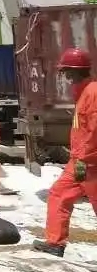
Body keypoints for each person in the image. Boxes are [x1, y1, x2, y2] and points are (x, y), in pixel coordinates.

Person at [36, 47, 97, 257]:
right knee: (59, 194)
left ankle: (55, 242)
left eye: (66, 71)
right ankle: (55, 242)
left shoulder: (92, 92)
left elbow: (95, 130)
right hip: (80, 161)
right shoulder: (84, 92)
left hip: (89, 162)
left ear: (75, 70)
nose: (65, 76)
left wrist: (84, 159)